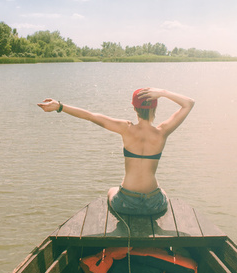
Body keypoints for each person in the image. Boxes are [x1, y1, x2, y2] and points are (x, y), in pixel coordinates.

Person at [37, 88, 194, 216]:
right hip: (154, 204)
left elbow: (90, 116)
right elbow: (189, 103)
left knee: (111, 190)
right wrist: (162, 93)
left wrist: (60, 106)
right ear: (155, 108)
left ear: (134, 108)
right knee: (162, 191)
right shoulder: (162, 132)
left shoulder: (125, 129)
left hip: (125, 203)